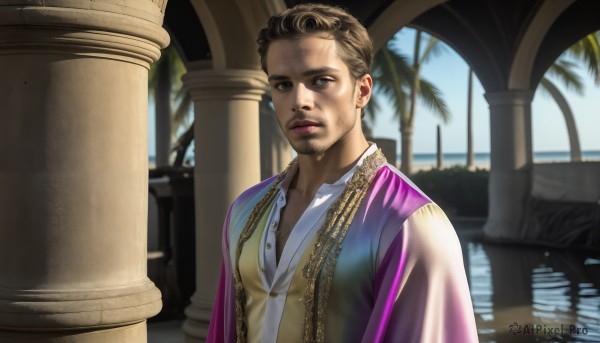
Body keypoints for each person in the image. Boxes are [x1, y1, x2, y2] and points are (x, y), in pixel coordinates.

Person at [207, 3, 478, 343]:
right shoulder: (243, 211)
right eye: (282, 85)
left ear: (362, 90)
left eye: (320, 80)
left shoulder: (410, 225)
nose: (300, 100)